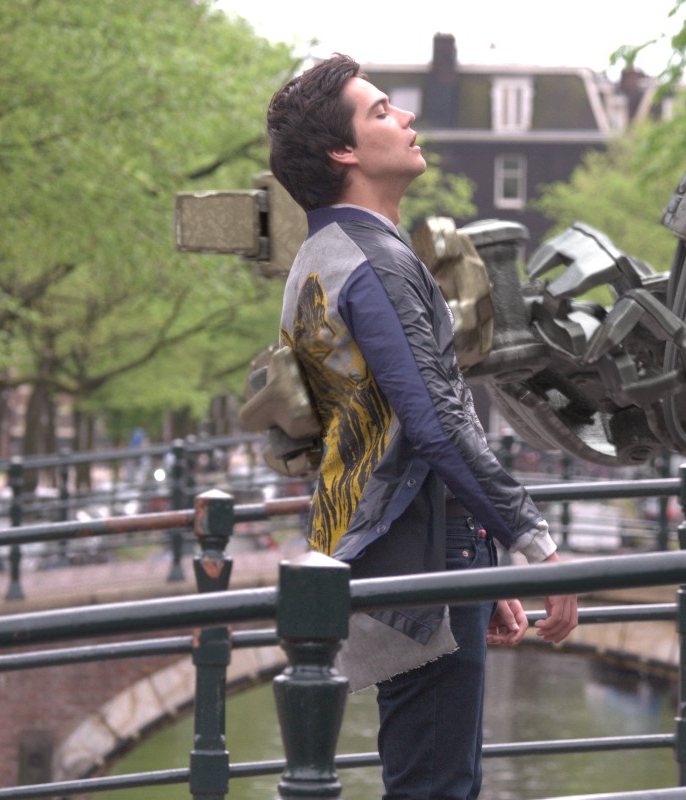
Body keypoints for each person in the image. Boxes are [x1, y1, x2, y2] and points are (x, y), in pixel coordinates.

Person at [264, 54, 579, 800]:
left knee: (432, 772)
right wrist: (534, 541)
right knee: (437, 784)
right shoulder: (375, 264)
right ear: (343, 152)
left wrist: (478, 562)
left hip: (393, 548)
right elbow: (434, 420)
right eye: (380, 111)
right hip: (416, 563)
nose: (405, 117)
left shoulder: (322, 256)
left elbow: (376, 429)